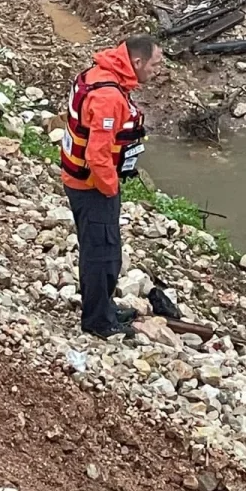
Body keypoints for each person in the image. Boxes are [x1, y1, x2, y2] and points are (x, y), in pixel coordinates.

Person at [60, 35, 165, 339]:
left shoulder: (103, 76)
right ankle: (98, 320)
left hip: (82, 181)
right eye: (155, 65)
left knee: (103, 250)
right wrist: (110, 188)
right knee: (102, 255)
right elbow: (97, 154)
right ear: (137, 62)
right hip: (91, 186)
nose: (157, 71)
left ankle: (103, 306)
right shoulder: (108, 97)